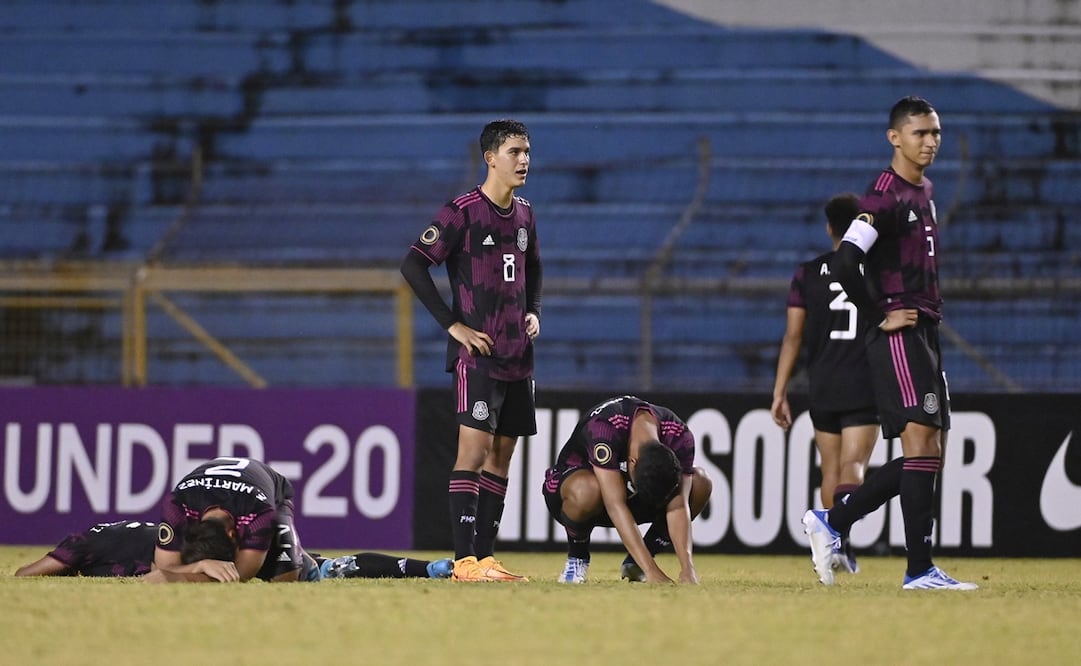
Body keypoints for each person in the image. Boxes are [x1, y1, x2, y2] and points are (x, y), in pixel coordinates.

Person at [802, 95, 977, 590]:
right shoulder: (884, 195)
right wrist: (879, 314)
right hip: (899, 335)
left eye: (936, 132)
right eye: (920, 133)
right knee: (922, 443)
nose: (931, 141)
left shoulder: (924, 193)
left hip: (924, 329)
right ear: (894, 137)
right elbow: (843, 262)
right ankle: (914, 567)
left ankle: (836, 523)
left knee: (929, 451)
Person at [400, 119, 542, 582]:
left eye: (527, 151)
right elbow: (413, 265)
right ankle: (463, 561)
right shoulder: (462, 211)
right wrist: (454, 325)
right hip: (477, 356)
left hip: (519, 357)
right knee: (474, 454)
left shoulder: (525, 213)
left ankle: (485, 559)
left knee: (501, 458)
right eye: (515, 151)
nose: (524, 159)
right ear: (491, 158)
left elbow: (534, 269)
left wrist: (534, 310)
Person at [771, 192, 881, 574]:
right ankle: (836, 535)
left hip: (823, 383)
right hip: (864, 380)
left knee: (830, 471)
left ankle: (831, 546)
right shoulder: (876, 269)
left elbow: (793, 336)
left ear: (828, 228)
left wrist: (779, 390)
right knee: (855, 466)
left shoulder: (806, 273)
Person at [542, 395, 713, 584]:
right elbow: (615, 505)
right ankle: (577, 558)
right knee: (588, 490)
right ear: (632, 461)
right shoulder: (605, 427)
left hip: (627, 498)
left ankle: (636, 562)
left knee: (700, 483)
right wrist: (652, 572)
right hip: (575, 495)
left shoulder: (679, 435)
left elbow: (679, 505)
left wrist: (687, 569)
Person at [14, 519, 453, 580]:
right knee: (331, 568)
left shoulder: (181, 546)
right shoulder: (94, 541)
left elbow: (29, 575)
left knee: (318, 570)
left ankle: (435, 568)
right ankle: (433, 568)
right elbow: (24, 578)